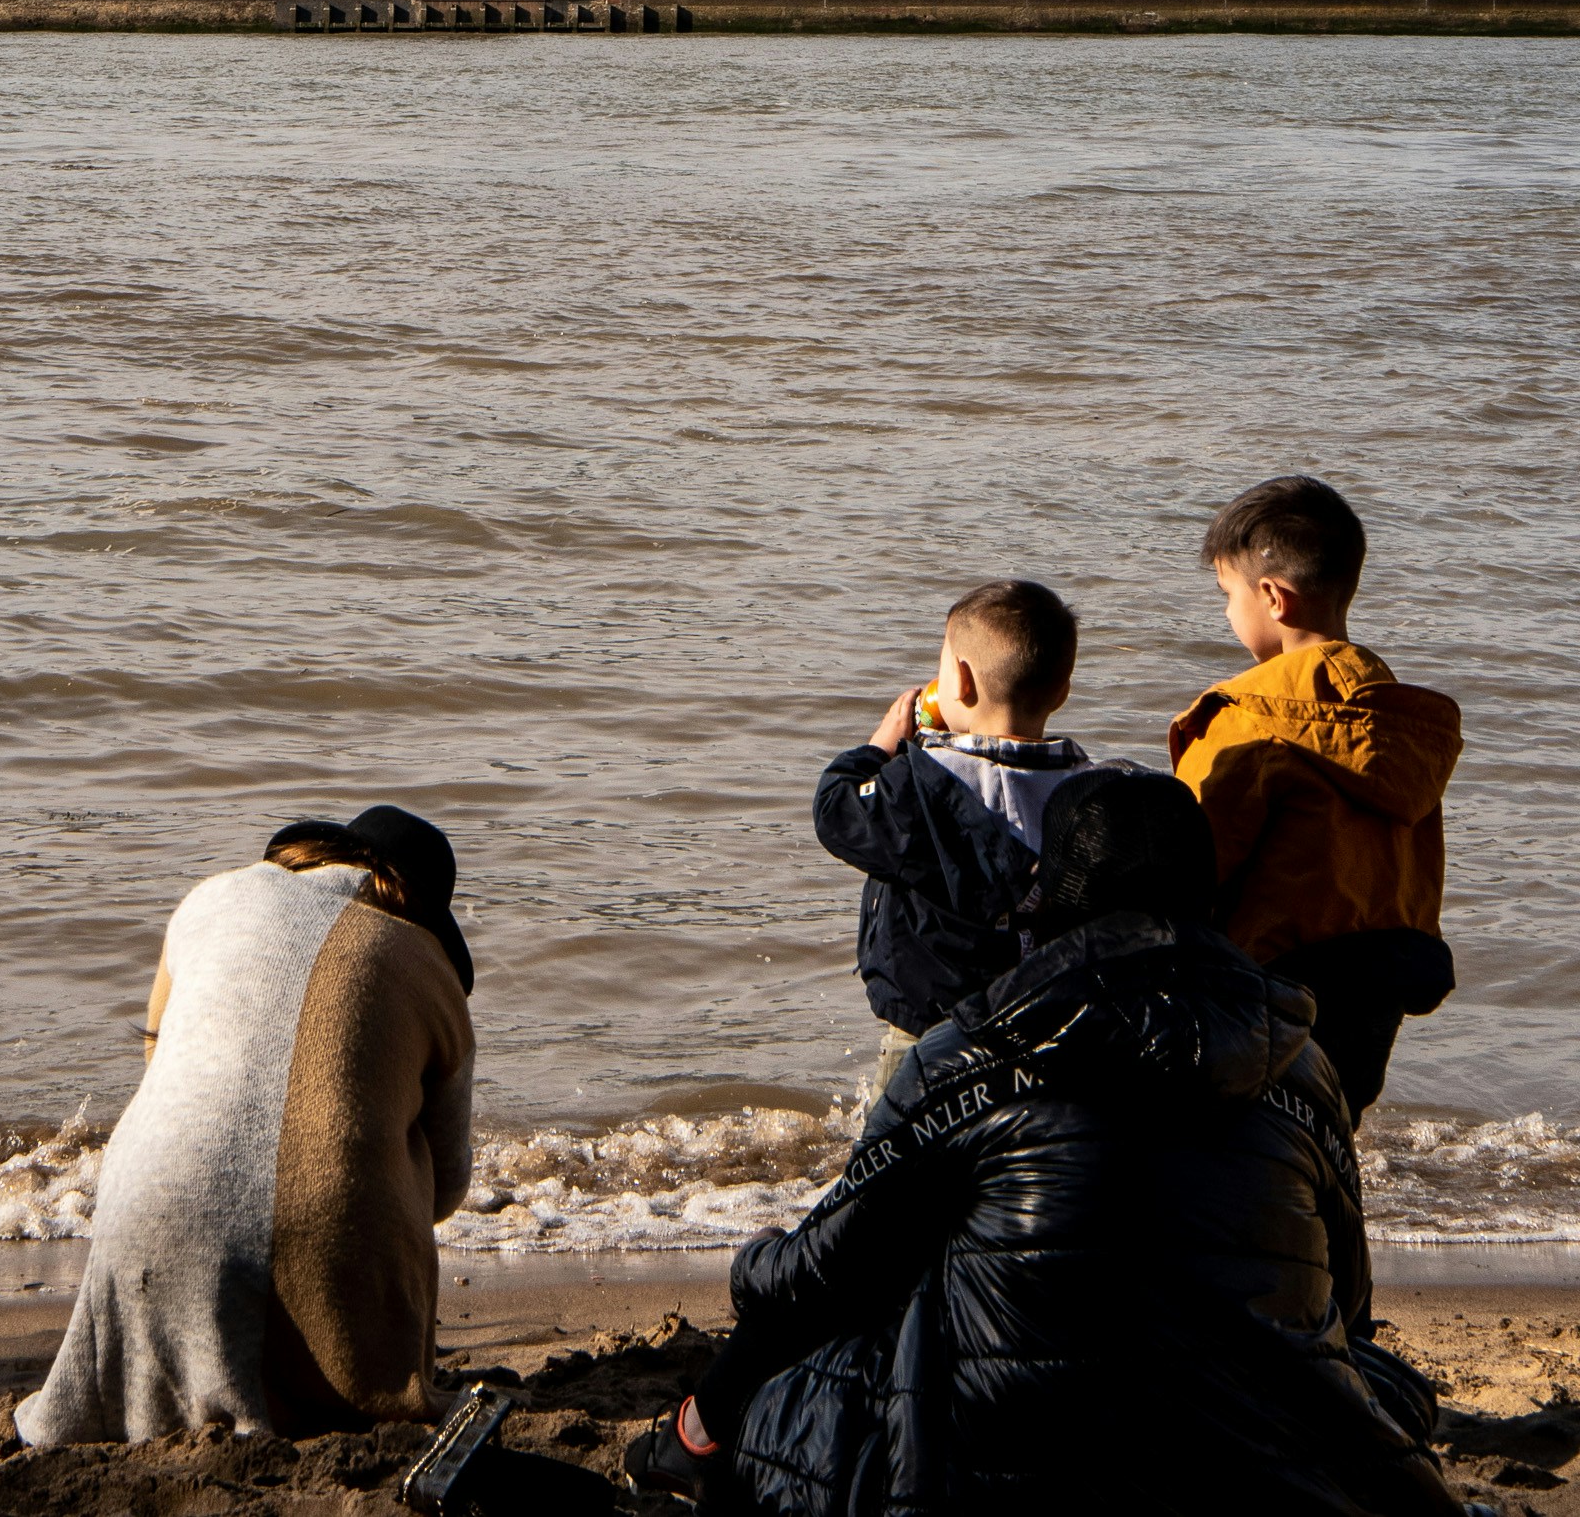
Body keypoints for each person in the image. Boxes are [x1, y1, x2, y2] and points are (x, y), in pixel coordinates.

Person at [627, 769, 1463, 1517]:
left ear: (1046, 899)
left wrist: (752, 1261)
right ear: (1207, 896)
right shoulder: (1300, 1057)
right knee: (1369, 1376)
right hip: (1261, 1464)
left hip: (1007, 1469)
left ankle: (691, 1446)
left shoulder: (966, 1054)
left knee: (851, 1331)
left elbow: (821, 1275)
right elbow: (1347, 1303)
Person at [15, 805, 475, 1447]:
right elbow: (450, 1188)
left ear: (321, 853)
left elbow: (158, 1060)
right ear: (422, 907)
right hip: (330, 1269)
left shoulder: (209, 899)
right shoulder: (431, 967)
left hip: (144, 1219)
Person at [1172, 475, 1461, 1121]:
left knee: (1252, 1149)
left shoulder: (1251, 716)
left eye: (1227, 595)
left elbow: (1196, 864)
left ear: (1273, 597)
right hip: (1379, 984)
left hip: (1271, 985)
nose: (1225, 613)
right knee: (1329, 1126)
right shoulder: (1398, 718)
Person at [812, 579, 1089, 1102]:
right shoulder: (1086, 789)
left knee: (896, 1164)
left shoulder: (918, 784)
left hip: (927, 1030)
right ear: (1062, 691)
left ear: (958, 681)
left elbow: (836, 813)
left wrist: (878, 749)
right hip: (1037, 1024)